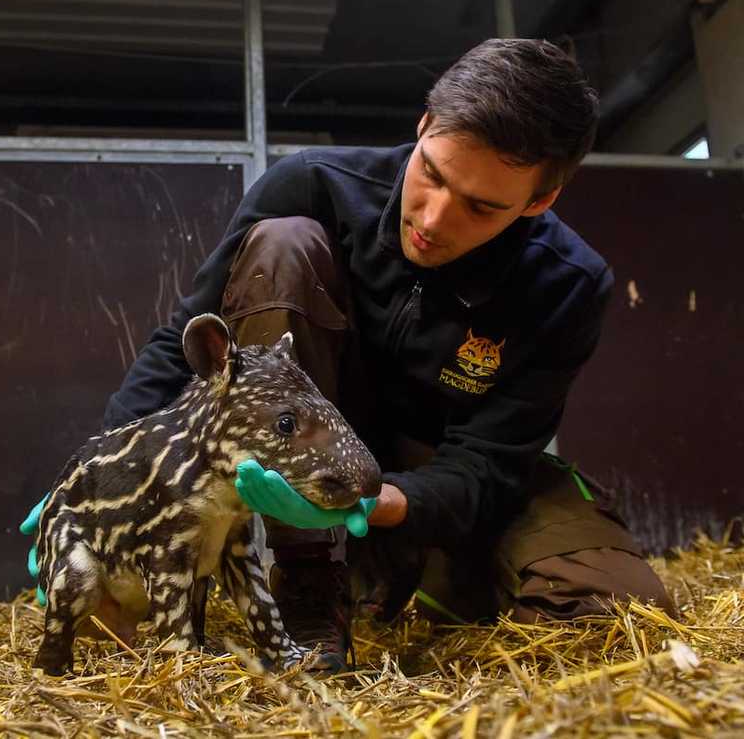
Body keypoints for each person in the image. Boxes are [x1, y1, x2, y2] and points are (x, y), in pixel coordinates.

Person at [46, 38, 676, 672]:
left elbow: (490, 463)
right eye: (431, 173)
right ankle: (307, 579)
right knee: (283, 243)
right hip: (297, 447)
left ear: (538, 201)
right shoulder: (312, 184)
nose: (432, 218)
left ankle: (414, 582)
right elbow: (184, 343)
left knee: (614, 610)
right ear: (425, 125)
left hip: (431, 479)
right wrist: (100, 483)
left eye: (481, 207)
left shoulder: (567, 282)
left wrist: (385, 504)